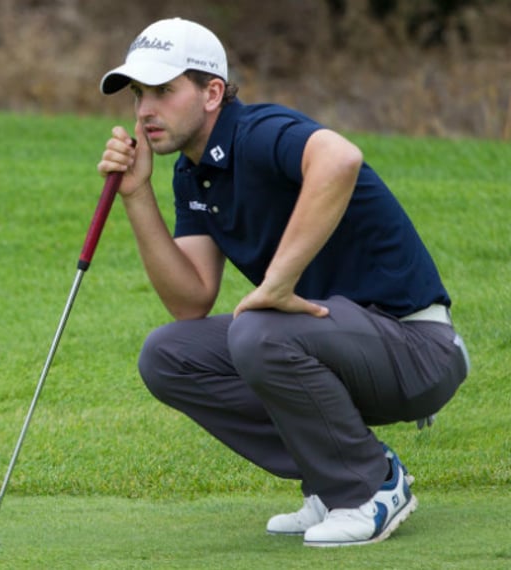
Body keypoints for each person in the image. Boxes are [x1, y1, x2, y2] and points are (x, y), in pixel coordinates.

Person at [94, 17, 469, 547]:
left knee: (258, 331)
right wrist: (137, 195)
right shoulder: (192, 173)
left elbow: (340, 158)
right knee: (168, 355)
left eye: (163, 91)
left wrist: (277, 282)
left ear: (212, 93)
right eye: (138, 94)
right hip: (336, 343)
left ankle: (369, 486)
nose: (144, 110)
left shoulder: (259, 132)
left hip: (417, 347)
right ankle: (332, 474)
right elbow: (190, 300)